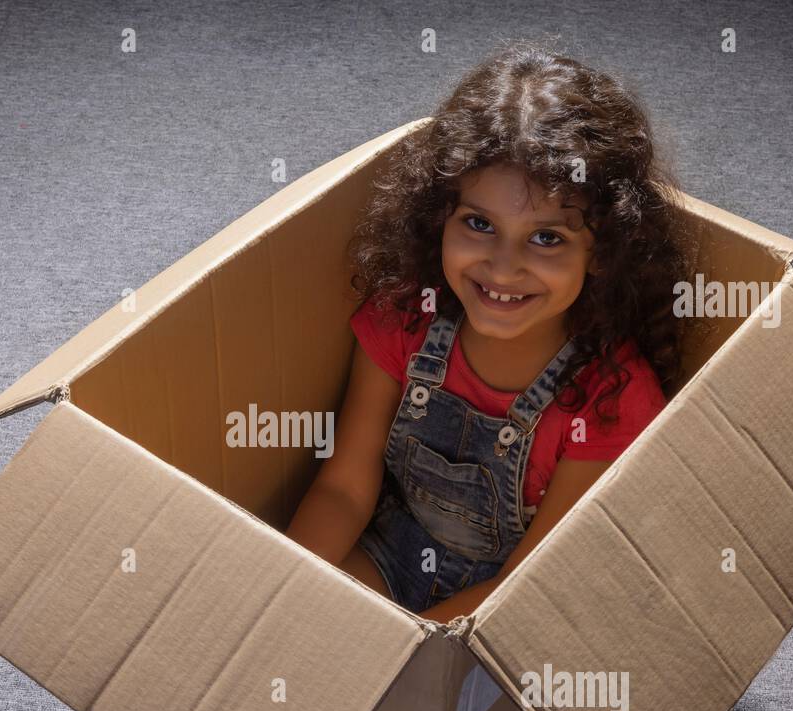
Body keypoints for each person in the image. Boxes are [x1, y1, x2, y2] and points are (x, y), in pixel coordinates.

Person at [285, 41, 704, 620]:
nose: (504, 268)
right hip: (389, 553)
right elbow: (346, 488)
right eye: (479, 224)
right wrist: (283, 594)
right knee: (305, 635)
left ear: (603, 252)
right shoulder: (406, 315)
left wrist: (411, 653)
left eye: (547, 237)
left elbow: (533, 582)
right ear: (440, 217)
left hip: (507, 603)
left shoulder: (612, 396)